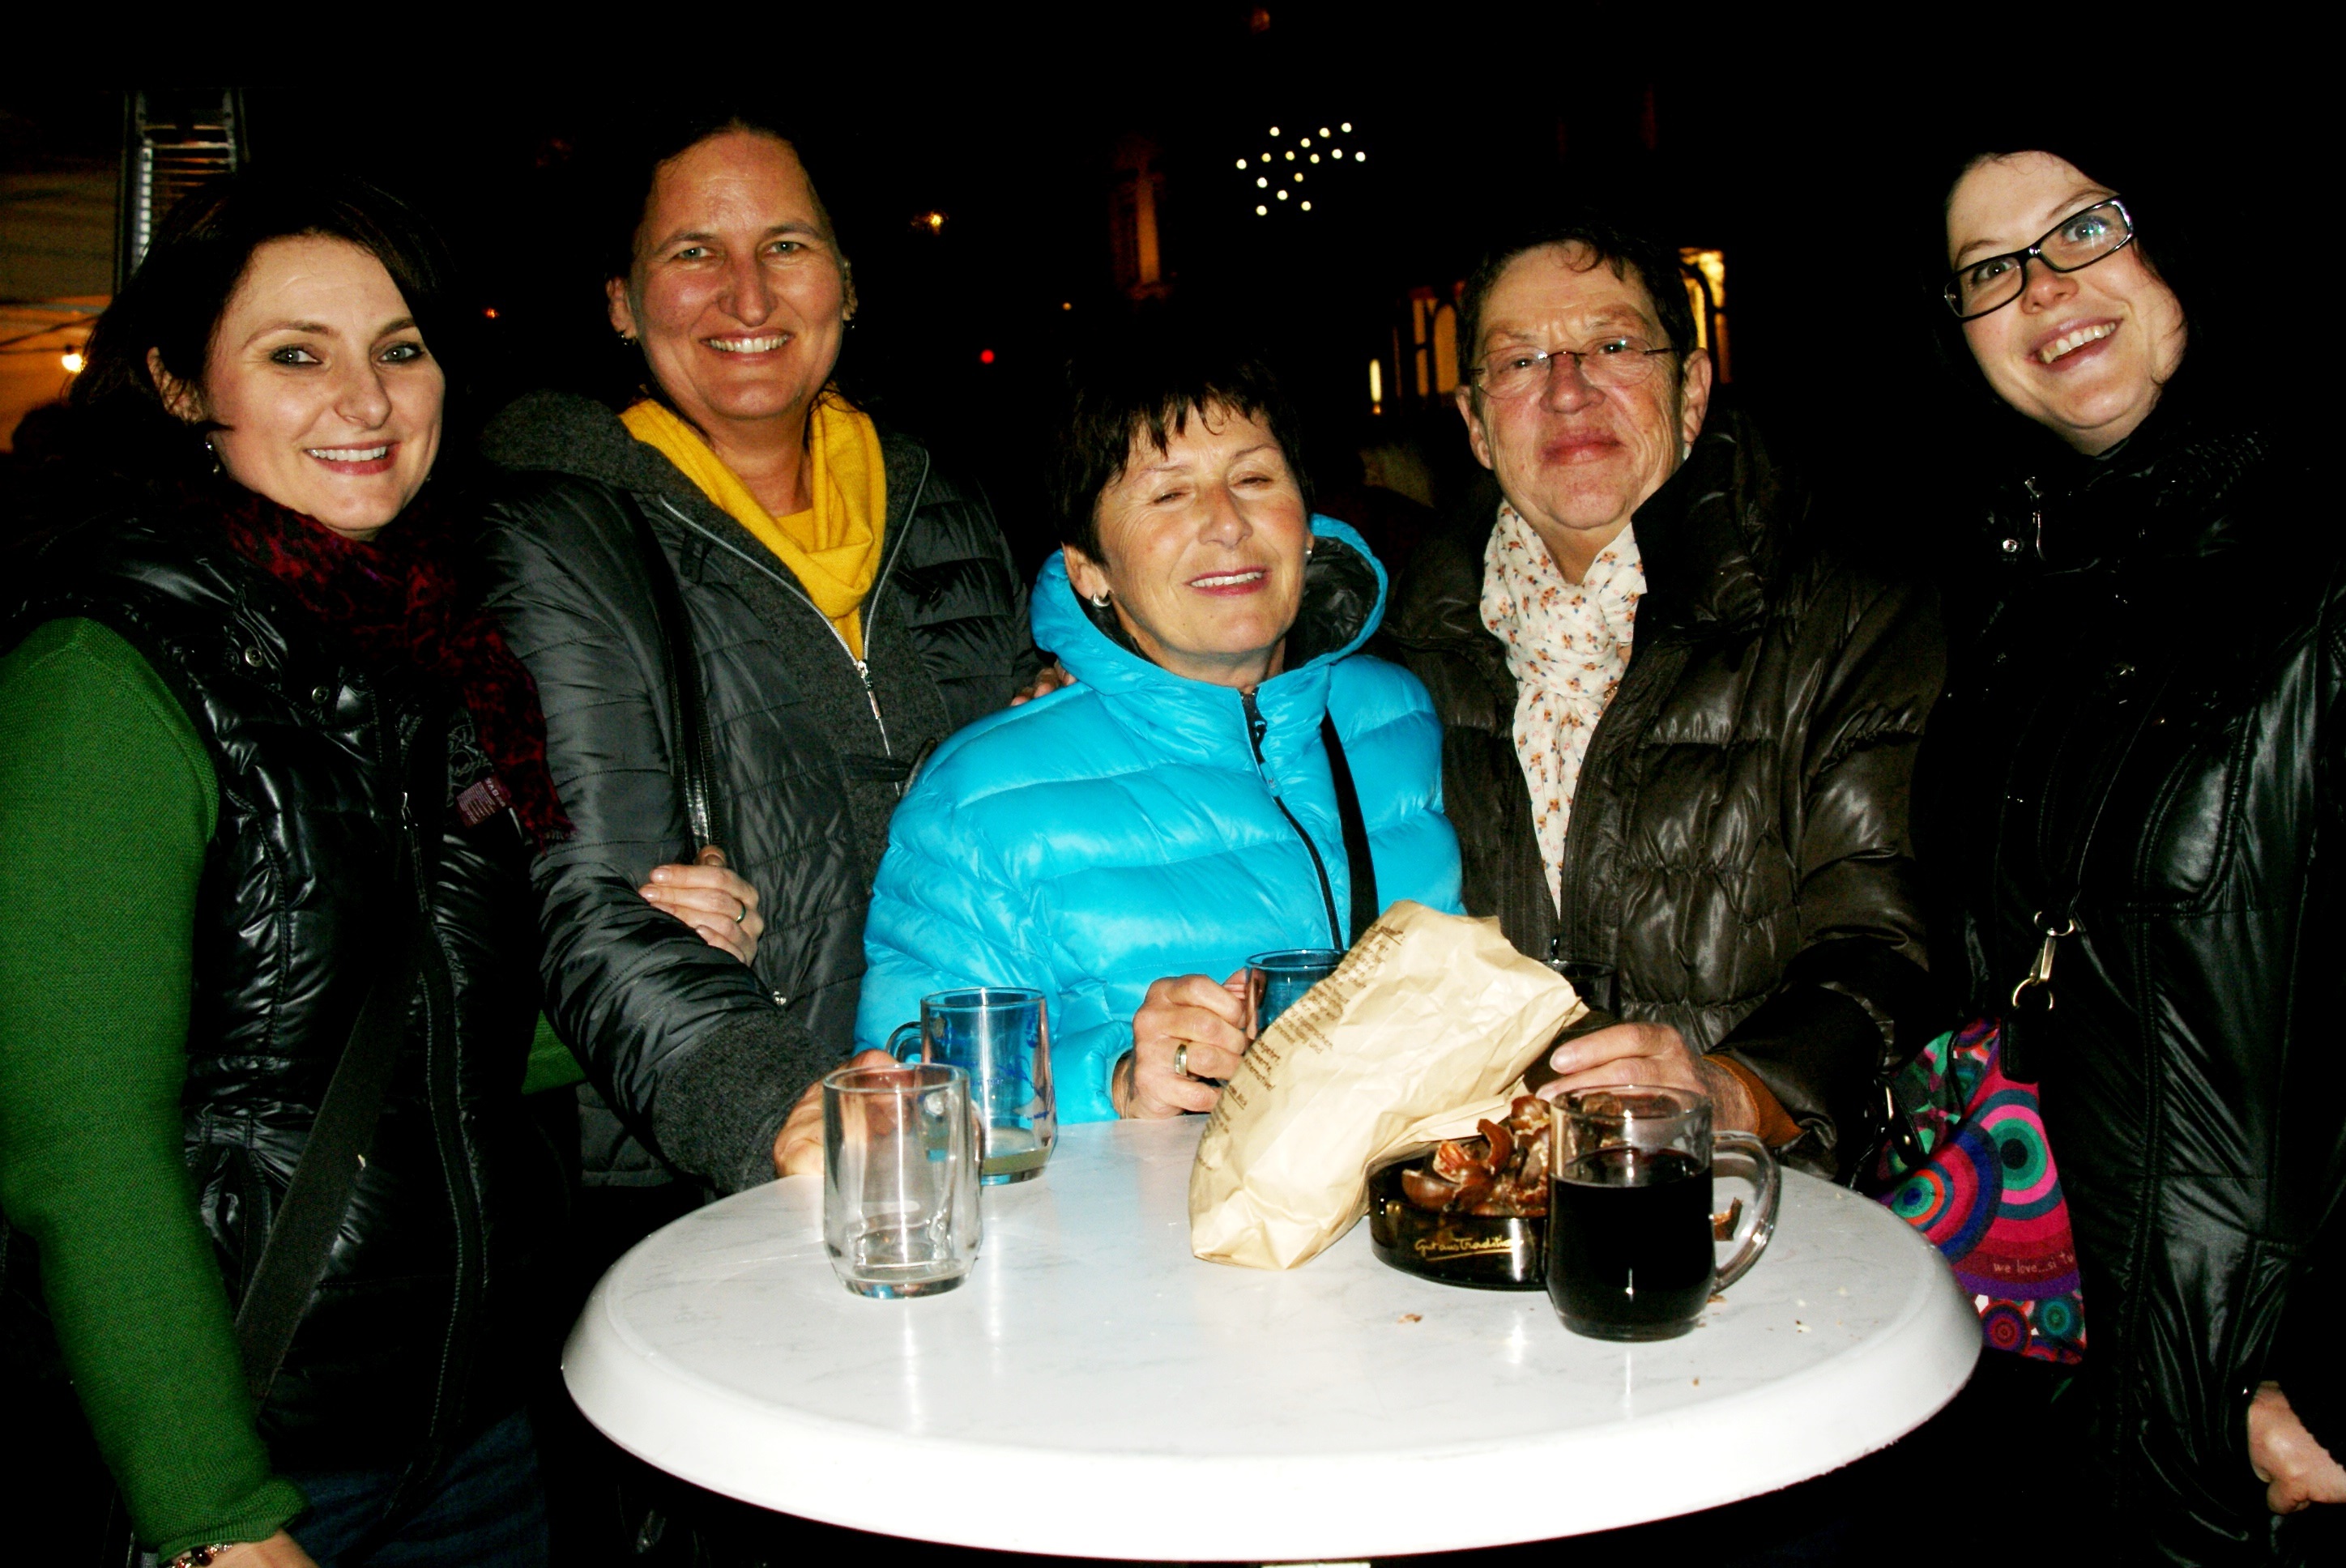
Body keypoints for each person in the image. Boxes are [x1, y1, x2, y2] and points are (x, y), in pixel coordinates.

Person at [1, 171, 569, 1566]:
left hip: (475, 1425)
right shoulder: (105, 674)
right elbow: (78, 1144)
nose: (365, 403)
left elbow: (449, 1034)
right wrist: (210, 1512)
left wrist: (657, 970)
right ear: (180, 387)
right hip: (250, 1445)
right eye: (295, 356)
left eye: (400, 349)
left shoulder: (436, 649)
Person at [478, 112, 1043, 1200]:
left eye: (786, 245)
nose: (748, 298)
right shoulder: (565, 534)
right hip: (731, 1163)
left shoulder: (943, 502)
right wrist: (777, 1107)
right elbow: (591, 900)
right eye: (694, 252)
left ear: (847, 283)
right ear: (621, 300)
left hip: (990, 1120)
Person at [1925, 143, 2344, 1558]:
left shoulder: (2320, 552)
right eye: (1990, 268)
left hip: (2252, 1406)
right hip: (2040, 1352)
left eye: (2084, 229)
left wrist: (2328, 1377)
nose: (2044, 288)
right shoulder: (2014, 581)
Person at [1376, 214, 1942, 1178]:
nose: (1567, 390)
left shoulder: (1846, 616)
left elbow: (1886, 939)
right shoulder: (1397, 659)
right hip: (1481, 1207)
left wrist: (1736, 1089)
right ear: (1473, 422)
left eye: (1613, 346)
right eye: (1519, 362)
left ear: (1691, 391)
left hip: (1763, 1207)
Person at [855, 338, 1463, 1121]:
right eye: (1169, 494)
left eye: (1254, 478)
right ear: (1088, 568)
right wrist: (1114, 1082)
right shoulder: (980, 796)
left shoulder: (1399, 719)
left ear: (1308, 523)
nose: (1227, 523)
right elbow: (911, 1100)